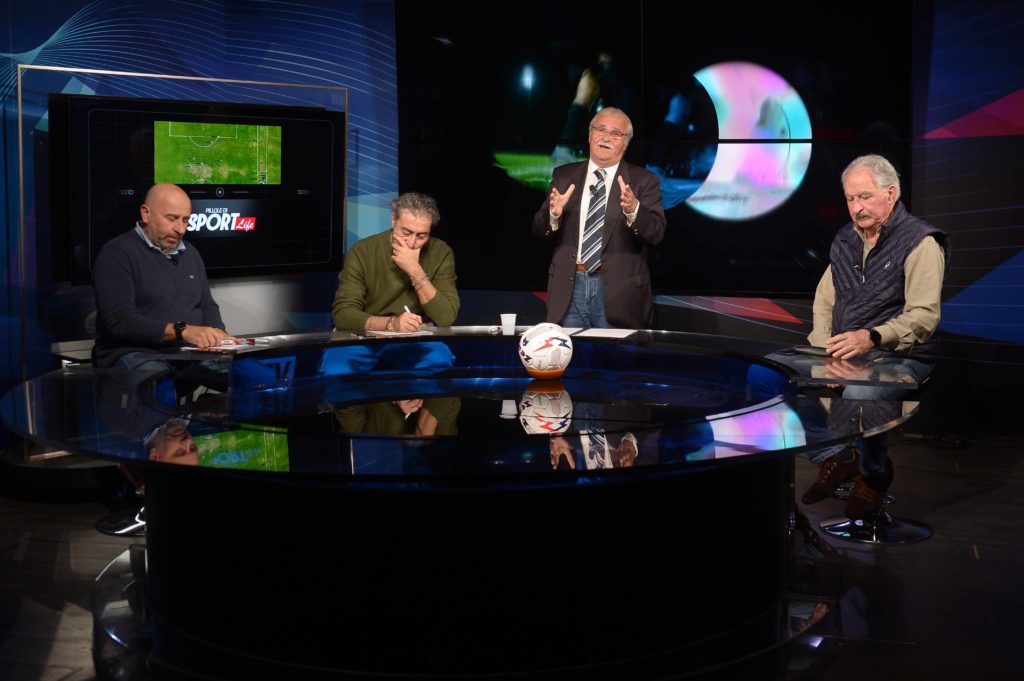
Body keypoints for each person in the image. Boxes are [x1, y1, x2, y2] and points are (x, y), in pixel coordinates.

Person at [801, 154, 946, 519]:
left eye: (865, 196)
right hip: (848, 354)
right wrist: (825, 356)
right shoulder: (845, 240)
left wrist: (872, 337)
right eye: (850, 199)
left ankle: (874, 475)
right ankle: (837, 457)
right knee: (780, 378)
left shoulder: (921, 242)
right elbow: (824, 301)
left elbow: (924, 318)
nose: (856, 207)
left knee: (861, 392)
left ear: (891, 193)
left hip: (902, 355)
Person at [532, 107, 666, 329]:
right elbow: (539, 230)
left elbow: (656, 233)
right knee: (571, 351)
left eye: (616, 133)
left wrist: (634, 209)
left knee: (617, 351)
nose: (606, 137)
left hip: (620, 293)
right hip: (569, 290)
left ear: (626, 143)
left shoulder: (644, 181)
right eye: (600, 130)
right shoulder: (564, 176)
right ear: (589, 135)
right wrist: (553, 214)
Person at [92, 183, 234, 371]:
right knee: (157, 377)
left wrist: (217, 332)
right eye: (172, 218)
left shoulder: (190, 253)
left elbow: (206, 304)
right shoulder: (117, 253)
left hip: (188, 351)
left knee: (247, 371)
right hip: (135, 352)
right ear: (146, 213)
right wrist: (181, 331)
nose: (180, 229)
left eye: (185, 220)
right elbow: (120, 321)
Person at [332, 192, 459, 332]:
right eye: (406, 232)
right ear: (393, 220)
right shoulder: (362, 251)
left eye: (421, 236)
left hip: (418, 332)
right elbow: (342, 314)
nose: (412, 242)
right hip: (371, 332)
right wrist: (391, 324)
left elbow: (446, 317)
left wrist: (414, 270)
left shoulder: (441, 252)